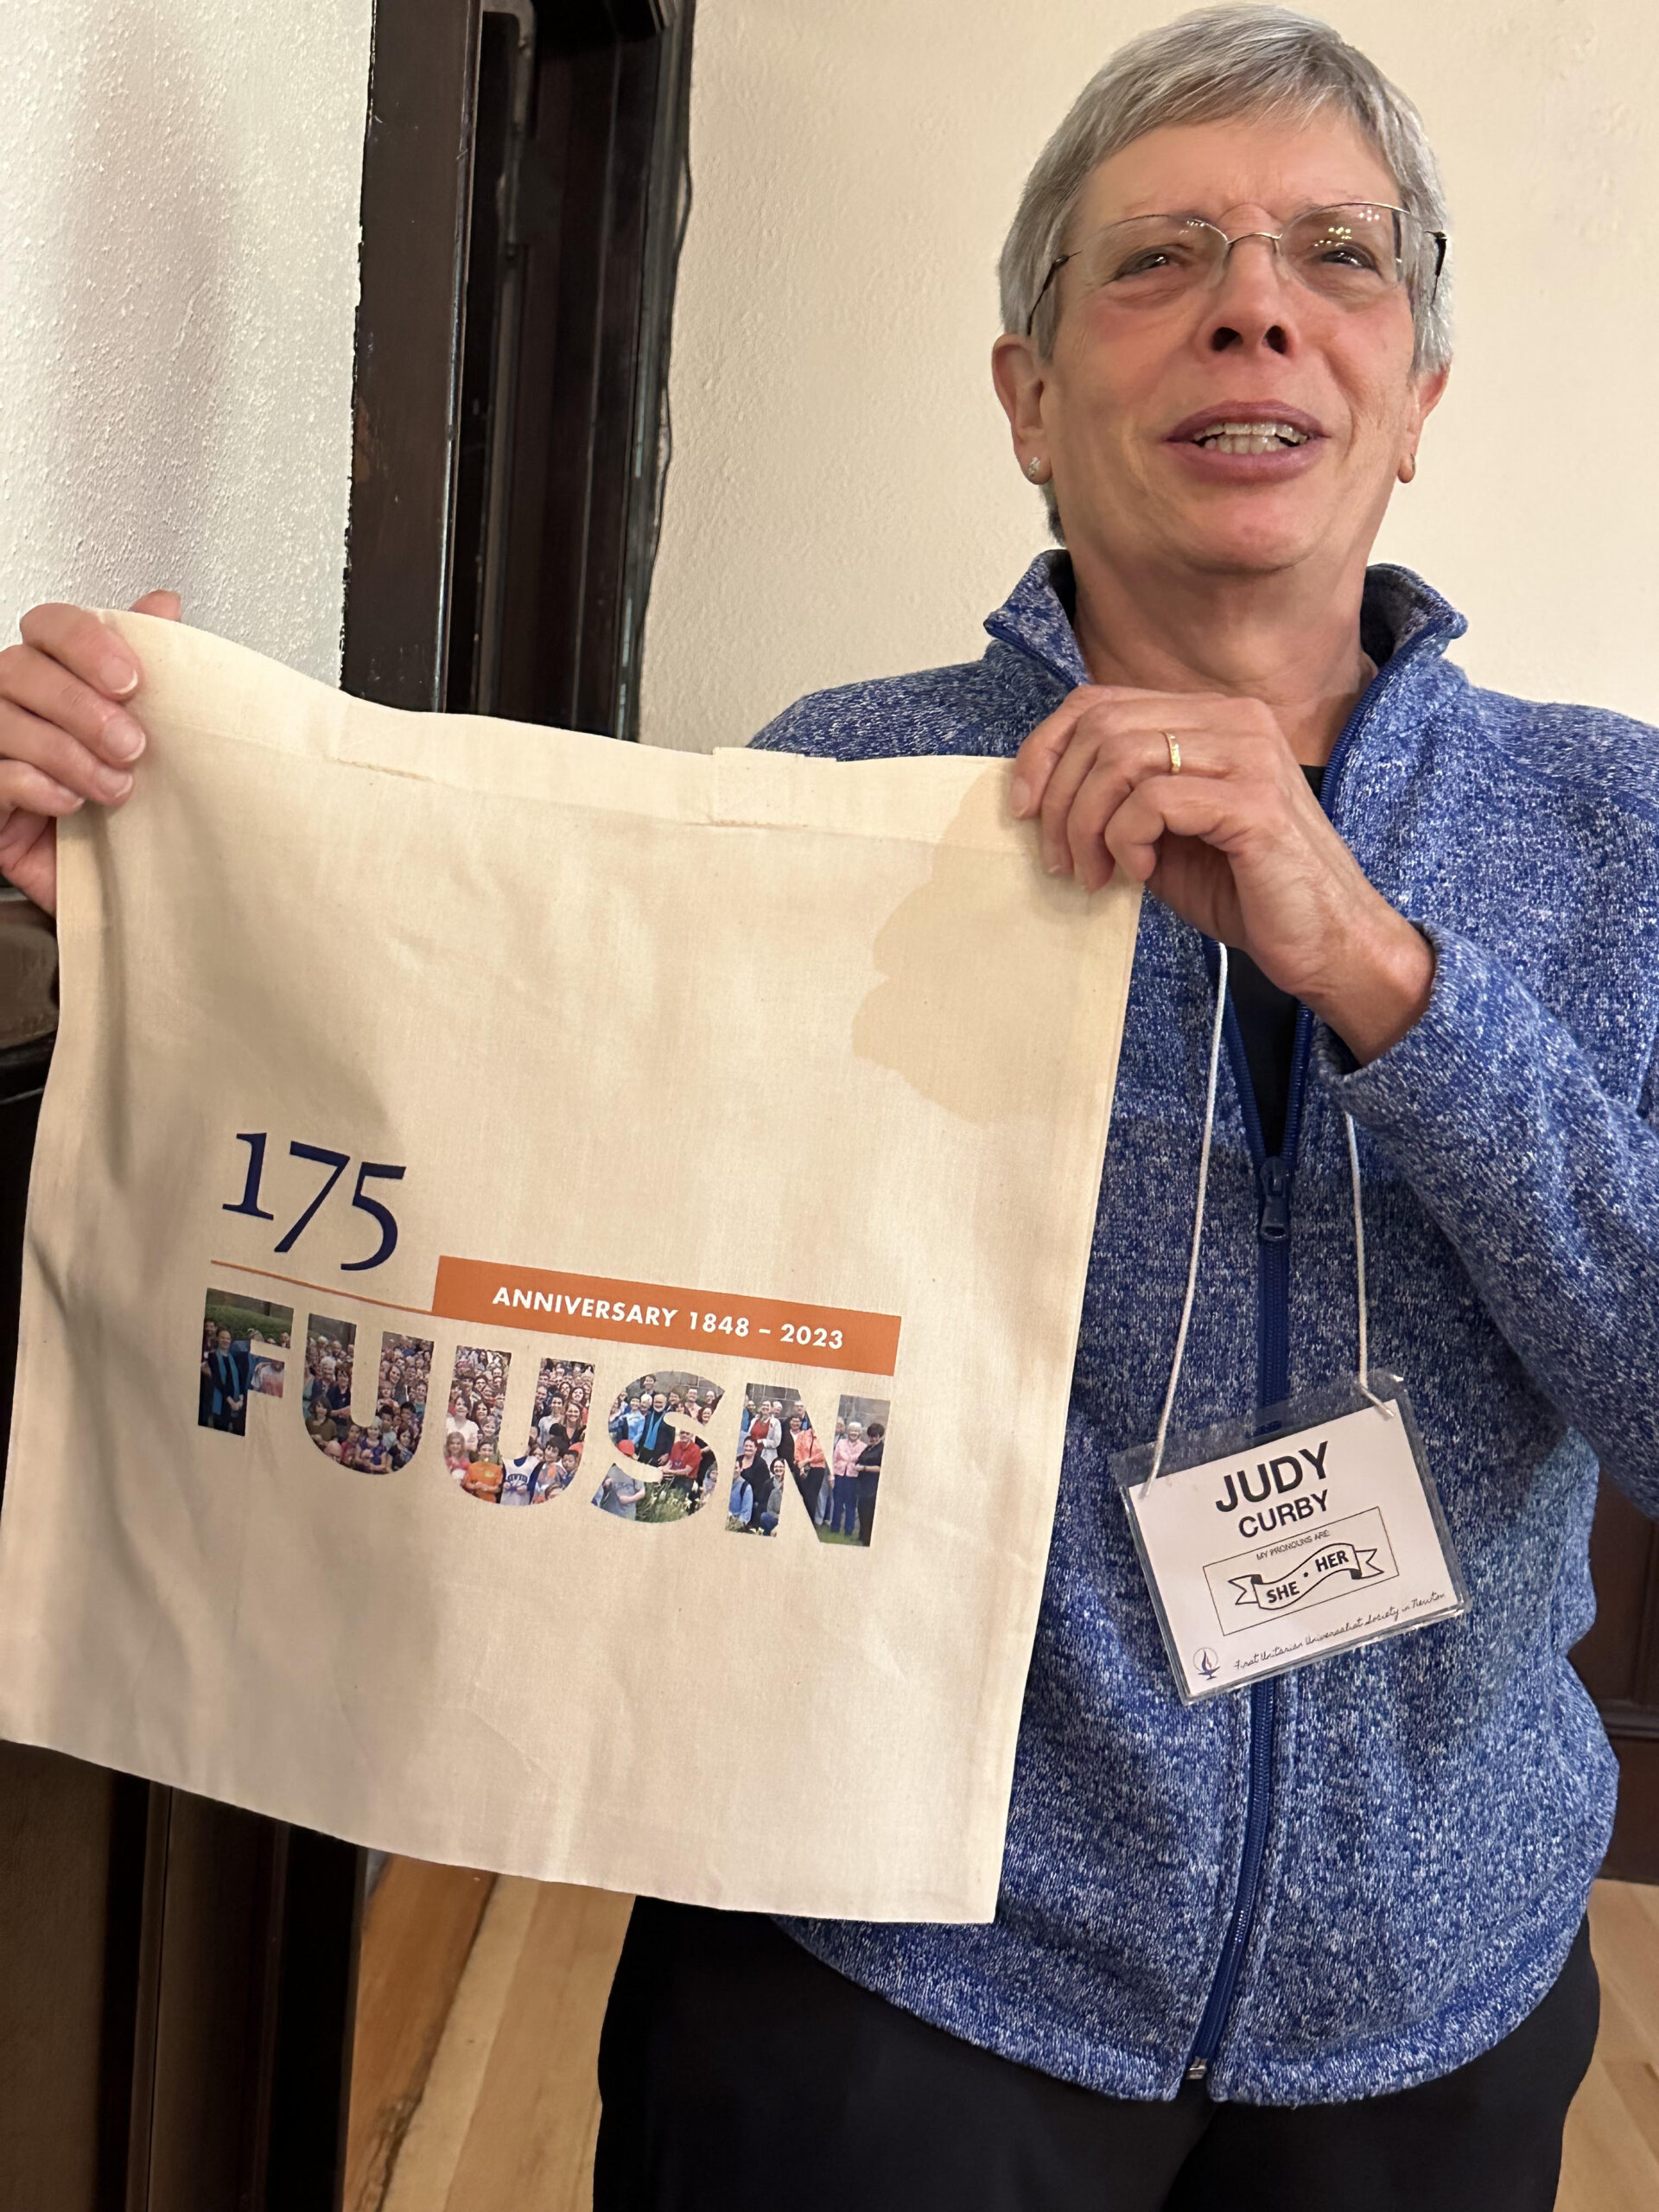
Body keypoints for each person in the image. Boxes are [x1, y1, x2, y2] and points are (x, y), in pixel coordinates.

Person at [1, 13, 1643, 2207]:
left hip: (1430, 2005)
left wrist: (1379, 969)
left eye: (1338, 254)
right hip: (881, 1974)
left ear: (1416, 395)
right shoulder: (841, 788)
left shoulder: (1610, 830)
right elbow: (531, 1194)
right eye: (1157, 258)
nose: (1257, 297)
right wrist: (173, 876)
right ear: (1026, 398)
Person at [829, 1423, 862, 1539]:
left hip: (853, 1478)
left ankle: (849, 1530)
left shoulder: (863, 1446)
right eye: (851, 1430)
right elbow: (834, 1459)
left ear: (859, 1433)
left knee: (850, 1505)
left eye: (856, 1431)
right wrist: (832, 1475)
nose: (853, 1433)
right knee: (838, 1503)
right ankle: (835, 1528)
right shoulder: (841, 1442)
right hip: (839, 1475)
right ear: (848, 1431)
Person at [853, 1421, 883, 1547]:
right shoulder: (869, 1447)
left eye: (875, 1436)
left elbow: (881, 1468)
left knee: (868, 1512)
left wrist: (864, 1468)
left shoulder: (881, 1449)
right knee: (861, 1510)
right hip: (863, 1484)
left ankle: (868, 1540)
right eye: (871, 1436)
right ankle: (862, 1535)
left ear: (880, 1436)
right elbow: (860, 1459)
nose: (873, 1439)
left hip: (872, 1485)